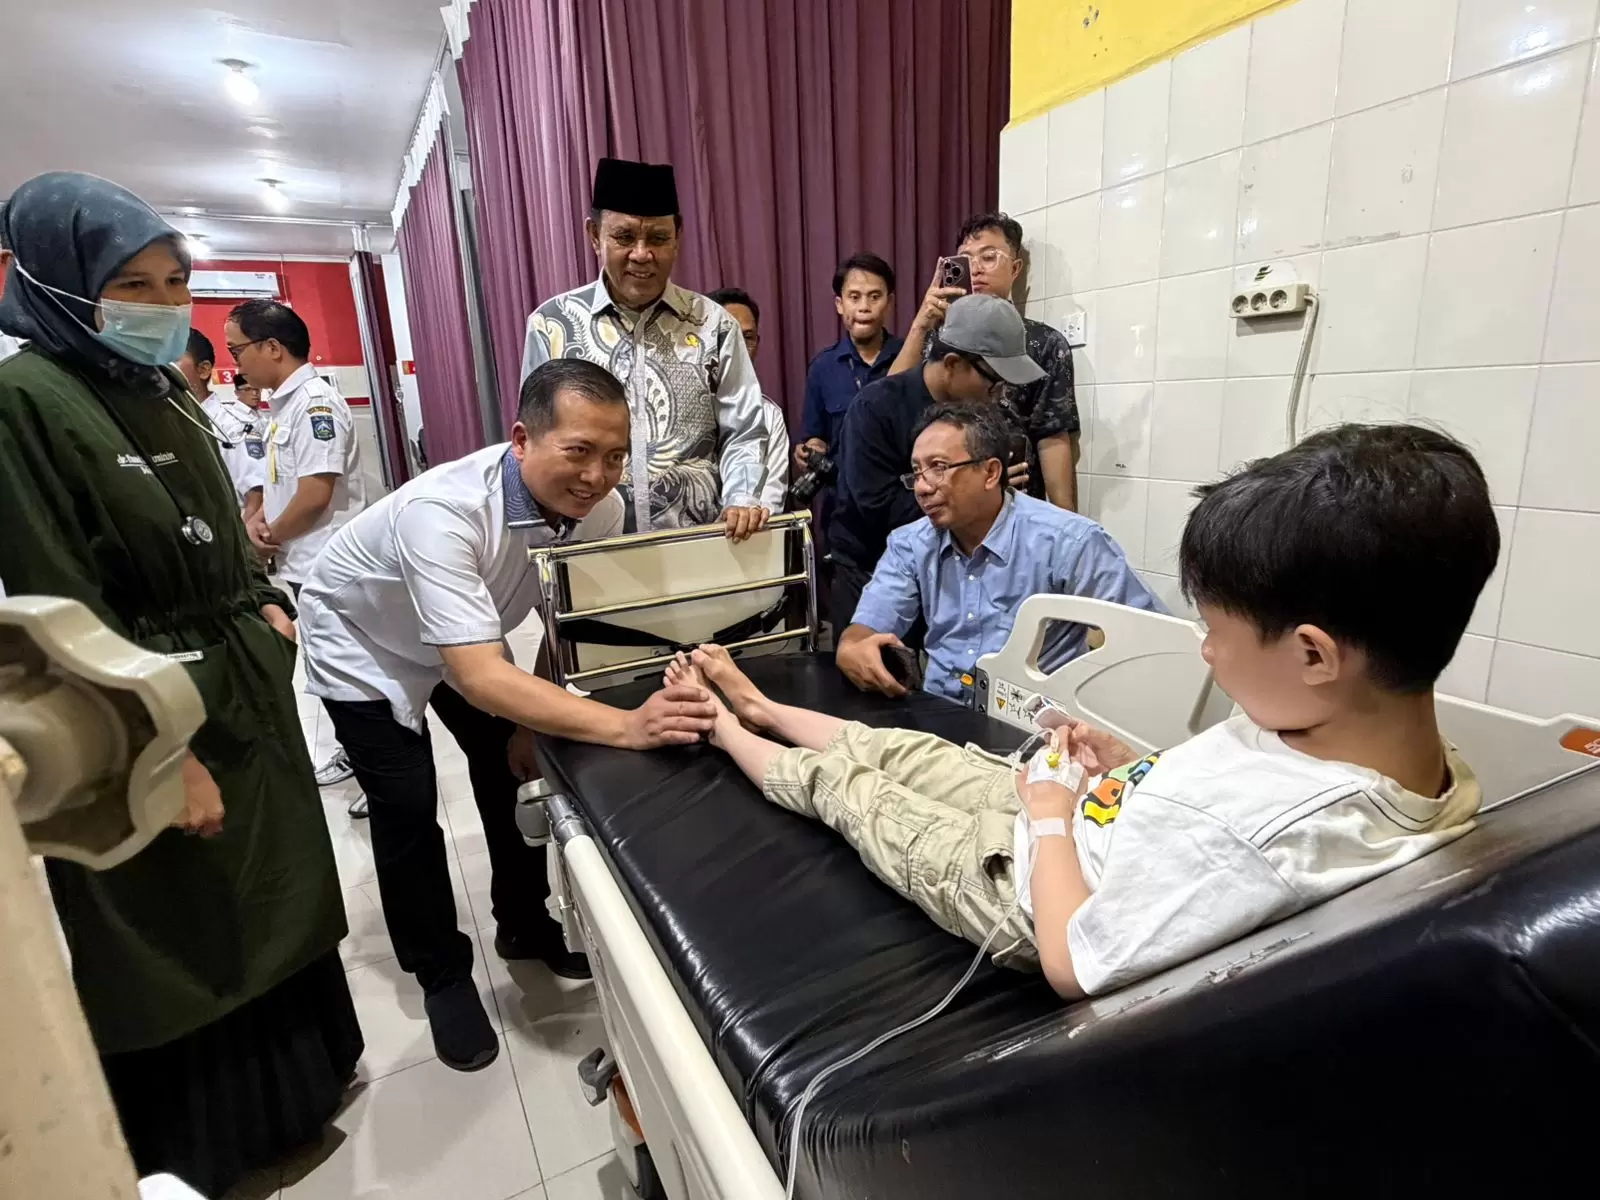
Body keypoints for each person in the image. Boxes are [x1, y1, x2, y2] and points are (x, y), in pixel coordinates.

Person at [674, 421, 1496, 1000]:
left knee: (850, 792)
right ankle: (762, 705)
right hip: (1084, 813)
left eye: (1215, 633)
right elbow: (1219, 781)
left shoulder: (1265, 835)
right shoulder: (1381, 743)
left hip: (1024, 886)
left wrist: (1051, 817)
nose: (1205, 653)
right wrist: (1129, 767)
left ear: (1314, 654)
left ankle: (721, 727)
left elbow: (1071, 959)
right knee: (907, 752)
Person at [0, 172, 359, 1194]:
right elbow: (62, 602)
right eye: (134, 285)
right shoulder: (26, 402)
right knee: (183, 912)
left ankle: (304, 1087)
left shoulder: (160, 391)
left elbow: (228, 525)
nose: (163, 306)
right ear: (58, 281)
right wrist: (159, 755)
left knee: (277, 886)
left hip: (239, 675)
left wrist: (262, 603)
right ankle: (216, 1140)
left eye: (176, 283)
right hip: (141, 697)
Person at [297, 358, 720, 1072]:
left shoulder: (601, 510)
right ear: (522, 440)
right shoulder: (444, 513)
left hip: (467, 635)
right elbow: (479, 675)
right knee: (407, 806)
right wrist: (626, 726)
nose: (596, 476)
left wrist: (533, 727)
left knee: (515, 769)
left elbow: (564, 623)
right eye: (578, 451)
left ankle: (524, 924)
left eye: (615, 456)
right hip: (363, 638)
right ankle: (441, 974)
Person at [837, 404, 1161, 702]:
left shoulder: (1068, 542)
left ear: (991, 473)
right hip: (940, 714)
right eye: (917, 472)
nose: (922, 487)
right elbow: (866, 626)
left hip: (1035, 725)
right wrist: (853, 647)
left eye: (939, 467)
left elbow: (1153, 639)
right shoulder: (910, 543)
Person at [522, 157, 769, 540]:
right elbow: (536, 441)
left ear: (677, 237)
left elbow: (745, 429)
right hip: (590, 546)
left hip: (699, 544)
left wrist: (741, 497)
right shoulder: (553, 325)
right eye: (624, 237)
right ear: (594, 235)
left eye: (657, 238)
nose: (641, 254)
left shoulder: (714, 325)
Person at [828, 293, 1042, 626]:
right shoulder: (876, 409)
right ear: (953, 364)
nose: (1000, 394)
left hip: (955, 576)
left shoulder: (982, 416)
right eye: (994, 381)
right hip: (871, 573)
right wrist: (972, 494)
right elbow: (877, 508)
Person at [890, 212, 1080, 512]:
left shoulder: (1043, 343)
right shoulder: (937, 338)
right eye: (965, 260)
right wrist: (921, 323)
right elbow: (890, 401)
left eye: (989, 257)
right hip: (941, 502)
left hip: (1015, 505)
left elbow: (1052, 438)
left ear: (1015, 269)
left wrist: (1066, 524)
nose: (976, 269)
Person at [225, 298, 368, 590]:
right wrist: (259, 520)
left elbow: (314, 495)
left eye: (236, 351)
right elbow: (283, 482)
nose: (236, 364)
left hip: (325, 564)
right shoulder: (287, 405)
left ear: (273, 348)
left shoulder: (315, 403)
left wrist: (267, 538)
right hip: (303, 561)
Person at [797, 252, 900, 475]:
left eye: (874, 297)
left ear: (889, 303)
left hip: (898, 489)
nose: (864, 307)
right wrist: (811, 449)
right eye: (854, 297)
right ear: (839, 304)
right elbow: (814, 436)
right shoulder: (822, 367)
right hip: (841, 492)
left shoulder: (909, 359)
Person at [706, 285, 788, 512]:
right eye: (728, 337)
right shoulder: (675, 407)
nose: (738, 348)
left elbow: (770, 502)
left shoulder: (769, 416)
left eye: (747, 337)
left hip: (746, 532)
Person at [178, 329, 266, 516]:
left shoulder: (231, 426)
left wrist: (246, 531)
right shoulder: (171, 421)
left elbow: (257, 494)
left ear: (203, 370)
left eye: (173, 359)